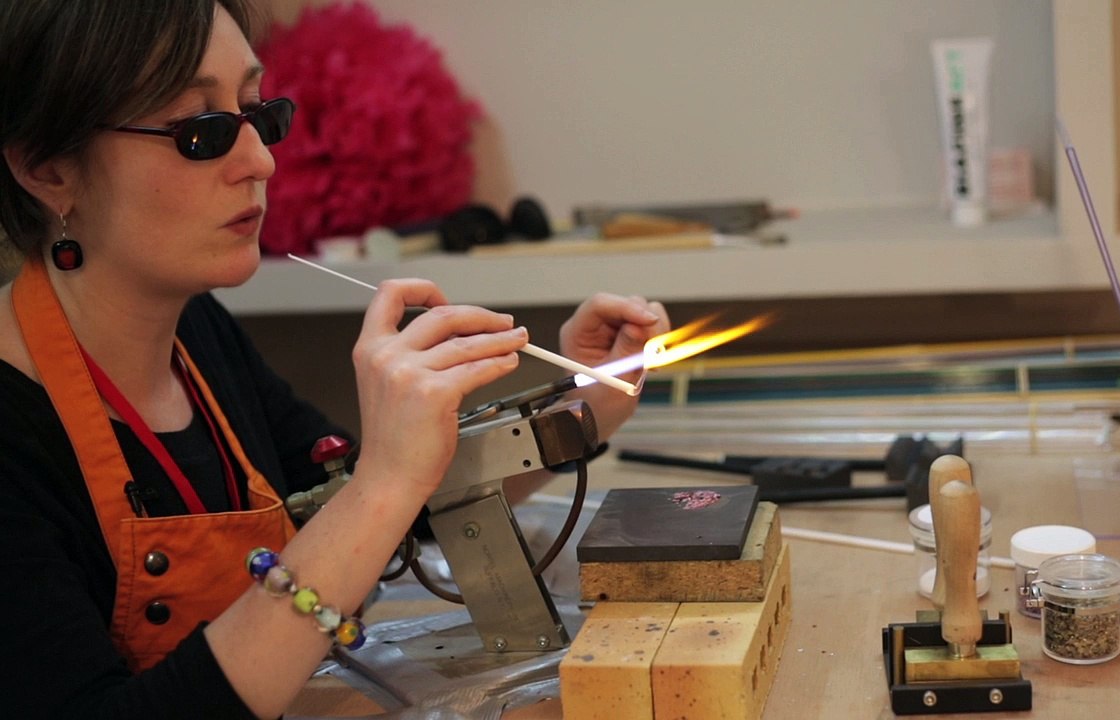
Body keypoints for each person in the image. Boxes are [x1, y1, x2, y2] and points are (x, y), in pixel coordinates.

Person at [0, 1, 670, 717]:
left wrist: (578, 410)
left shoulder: (200, 337)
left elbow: (386, 530)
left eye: (259, 114)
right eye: (202, 132)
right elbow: (371, 505)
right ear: (49, 170)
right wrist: (383, 482)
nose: (260, 160)